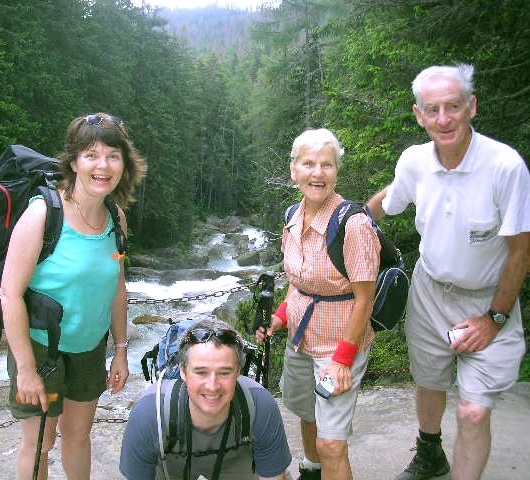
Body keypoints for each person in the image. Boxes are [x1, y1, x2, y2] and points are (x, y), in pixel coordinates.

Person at [367, 64, 530, 480]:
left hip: (489, 297)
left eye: (453, 107)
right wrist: (347, 222)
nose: (444, 119)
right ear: (419, 115)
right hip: (430, 290)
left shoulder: (505, 167)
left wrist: (494, 318)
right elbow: (389, 199)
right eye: (433, 109)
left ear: (471, 107)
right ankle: (430, 452)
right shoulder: (415, 161)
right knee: (429, 380)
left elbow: (520, 253)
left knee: (474, 411)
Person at [1, 112, 147, 480]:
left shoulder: (116, 218)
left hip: (89, 349)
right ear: (73, 162)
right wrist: (26, 371)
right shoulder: (42, 214)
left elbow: (116, 285)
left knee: (79, 437)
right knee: (40, 443)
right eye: (91, 155)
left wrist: (121, 350)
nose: (103, 166)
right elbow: (9, 293)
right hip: (41, 349)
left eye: (113, 156)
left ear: (124, 164)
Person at [257, 128, 381, 480]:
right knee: (307, 413)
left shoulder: (352, 224)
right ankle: (312, 472)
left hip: (339, 345)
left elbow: (365, 299)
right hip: (300, 339)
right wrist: (280, 318)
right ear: (294, 170)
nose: (318, 173)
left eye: (326, 165)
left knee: (332, 443)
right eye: (308, 164)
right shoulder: (292, 216)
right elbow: (299, 284)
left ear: (336, 172)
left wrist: (343, 360)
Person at [119, 318, 292, 480]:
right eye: (201, 372)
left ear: (238, 372)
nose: (212, 386)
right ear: (183, 371)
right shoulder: (150, 414)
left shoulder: (258, 406)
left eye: (224, 372)